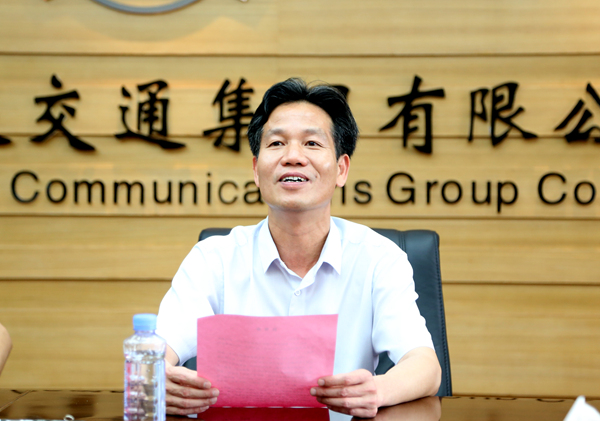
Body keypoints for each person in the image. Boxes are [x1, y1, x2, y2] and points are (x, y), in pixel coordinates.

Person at [156, 78, 441, 418]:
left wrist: (377, 391)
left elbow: (425, 365)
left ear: (341, 169)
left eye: (312, 143)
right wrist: (159, 378)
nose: (293, 157)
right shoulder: (213, 260)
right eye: (277, 143)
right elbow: (156, 351)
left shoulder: (379, 258)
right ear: (256, 170)